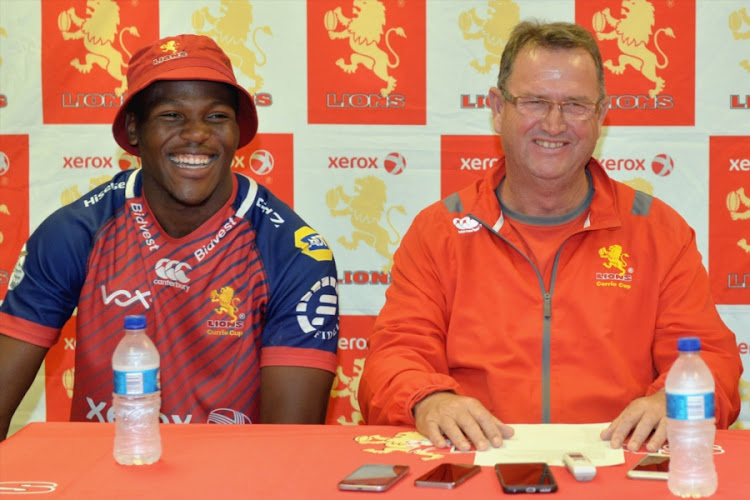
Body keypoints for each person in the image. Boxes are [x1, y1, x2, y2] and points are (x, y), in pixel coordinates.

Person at [358, 20, 743, 453]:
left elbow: (710, 357)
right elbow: (394, 353)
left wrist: (673, 401)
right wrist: (428, 399)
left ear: (600, 116)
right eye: (536, 102)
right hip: (474, 464)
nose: (555, 124)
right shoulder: (439, 231)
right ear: (498, 107)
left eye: (576, 105)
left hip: (618, 469)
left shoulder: (659, 231)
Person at [0, 34, 339, 441]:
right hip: (107, 474)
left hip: (232, 482)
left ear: (237, 131)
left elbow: (290, 447)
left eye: (216, 117)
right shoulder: (76, 233)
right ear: (134, 129)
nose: (197, 133)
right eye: (172, 116)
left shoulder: (292, 252)